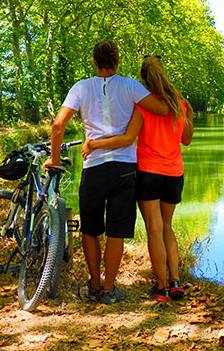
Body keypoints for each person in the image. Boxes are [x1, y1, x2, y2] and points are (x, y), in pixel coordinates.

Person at [43, 41, 168, 304]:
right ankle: (110, 289)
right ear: (118, 61)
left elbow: (57, 125)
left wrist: (55, 160)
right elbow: (163, 109)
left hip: (94, 167)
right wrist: (142, 102)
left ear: (93, 61)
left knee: (90, 229)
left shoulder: (81, 87)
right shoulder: (131, 86)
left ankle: (95, 285)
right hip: (124, 168)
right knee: (116, 231)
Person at [81, 55, 193, 302]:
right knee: (167, 228)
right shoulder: (180, 104)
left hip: (149, 172)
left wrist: (94, 144)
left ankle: (162, 287)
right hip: (174, 173)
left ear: (144, 79)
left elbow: (128, 138)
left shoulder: (142, 107)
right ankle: (176, 282)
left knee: (154, 229)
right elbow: (186, 139)